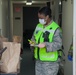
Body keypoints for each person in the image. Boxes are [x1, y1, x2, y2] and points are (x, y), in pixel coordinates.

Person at [29, 6, 62, 75]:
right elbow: (34, 37)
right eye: (39, 18)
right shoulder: (38, 26)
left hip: (50, 63)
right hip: (38, 61)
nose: (40, 20)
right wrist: (33, 43)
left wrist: (45, 45)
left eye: (41, 18)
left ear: (47, 17)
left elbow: (58, 44)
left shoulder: (55, 28)